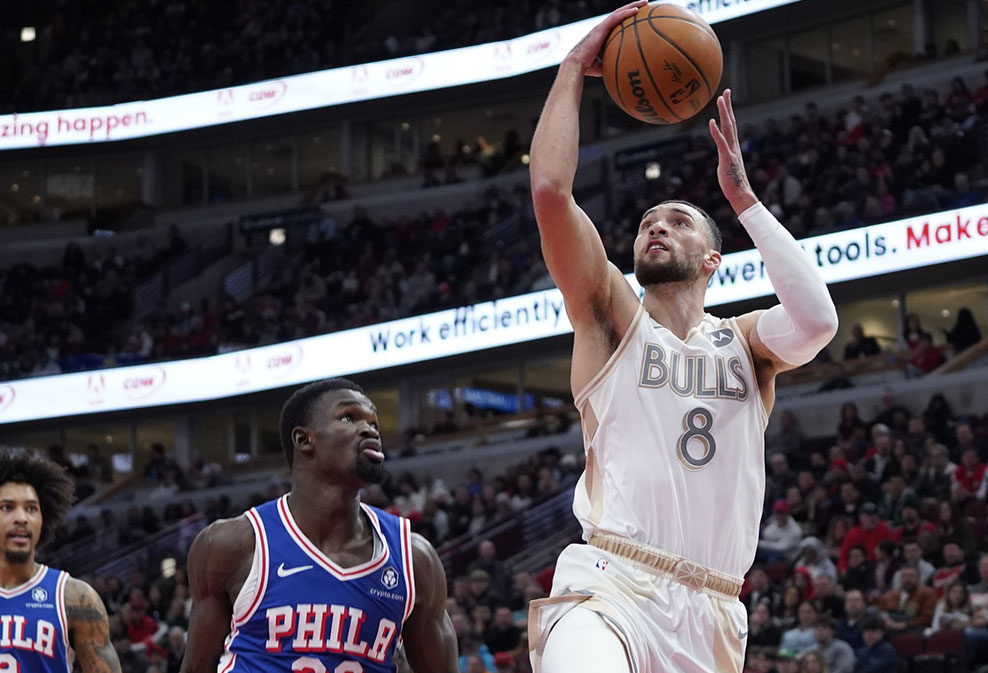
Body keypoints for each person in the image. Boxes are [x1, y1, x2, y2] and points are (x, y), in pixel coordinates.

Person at [525, 3, 839, 671]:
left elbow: (818, 321)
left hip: (713, 608)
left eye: (678, 221)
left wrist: (745, 201)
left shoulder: (747, 345)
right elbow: (552, 191)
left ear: (711, 260)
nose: (656, 228)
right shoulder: (611, 316)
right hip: (610, 580)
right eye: (647, 223)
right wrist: (573, 69)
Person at [180, 378, 460, 673]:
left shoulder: (414, 559)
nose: (369, 429)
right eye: (348, 417)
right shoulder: (234, 544)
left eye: (374, 423)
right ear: (304, 440)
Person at [0, 451, 122, 673]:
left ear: (43, 518)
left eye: (31, 508)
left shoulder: (75, 597)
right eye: (7, 507)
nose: (22, 518)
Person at [876, 564, 938, 632]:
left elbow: (927, 618)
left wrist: (905, 624)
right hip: (892, 627)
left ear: (918, 578)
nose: (907, 579)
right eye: (904, 576)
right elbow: (881, 610)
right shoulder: (890, 595)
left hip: (915, 629)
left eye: (911, 576)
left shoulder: (927, 593)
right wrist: (887, 620)